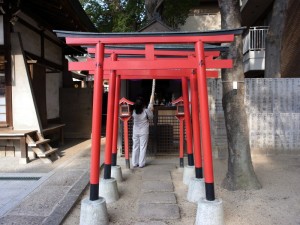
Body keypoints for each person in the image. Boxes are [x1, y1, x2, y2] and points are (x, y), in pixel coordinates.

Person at [131, 97, 154, 168]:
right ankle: (141, 163)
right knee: (142, 147)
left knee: (135, 146)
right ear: (143, 104)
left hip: (135, 131)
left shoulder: (134, 111)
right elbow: (151, 117)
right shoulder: (146, 111)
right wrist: (151, 110)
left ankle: (134, 163)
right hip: (144, 131)